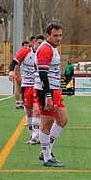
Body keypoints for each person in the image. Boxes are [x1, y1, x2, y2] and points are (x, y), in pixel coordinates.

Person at [36, 22, 68, 168]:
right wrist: (47, 95)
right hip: (45, 91)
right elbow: (43, 75)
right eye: (55, 35)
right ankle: (47, 157)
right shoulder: (45, 49)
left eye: (60, 35)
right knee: (46, 124)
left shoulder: (53, 49)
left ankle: (47, 151)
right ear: (48, 35)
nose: (58, 38)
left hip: (54, 90)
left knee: (62, 119)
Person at [12, 35, 44, 145]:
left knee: (37, 111)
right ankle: (32, 135)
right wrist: (13, 72)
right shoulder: (25, 52)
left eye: (41, 43)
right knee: (29, 112)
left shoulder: (43, 53)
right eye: (38, 43)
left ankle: (36, 136)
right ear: (32, 43)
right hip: (26, 85)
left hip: (38, 86)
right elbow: (15, 62)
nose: (40, 45)